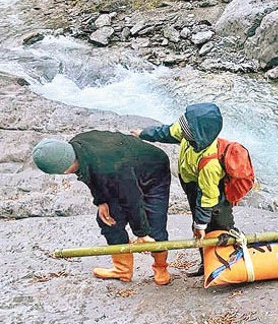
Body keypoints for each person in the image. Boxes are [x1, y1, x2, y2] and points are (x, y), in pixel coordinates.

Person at [32, 131, 172, 285]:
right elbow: (91, 176)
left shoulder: (109, 167)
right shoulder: (77, 149)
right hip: (124, 172)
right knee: (108, 221)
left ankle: (161, 267)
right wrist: (101, 201)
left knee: (154, 225)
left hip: (154, 172)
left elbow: (132, 199)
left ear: (63, 169)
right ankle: (123, 269)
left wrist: (142, 233)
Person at [132, 102, 234, 277]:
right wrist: (143, 134)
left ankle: (228, 264)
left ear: (198, 133)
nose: (182, 128)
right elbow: (168, 132)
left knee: (217, 228)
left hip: (214, 199)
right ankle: (206, 264)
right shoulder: (191, 134)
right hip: (194, 188)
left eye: (187, 127)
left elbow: (207, 197)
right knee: (201, 229)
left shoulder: (210, 162)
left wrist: (200, 223)